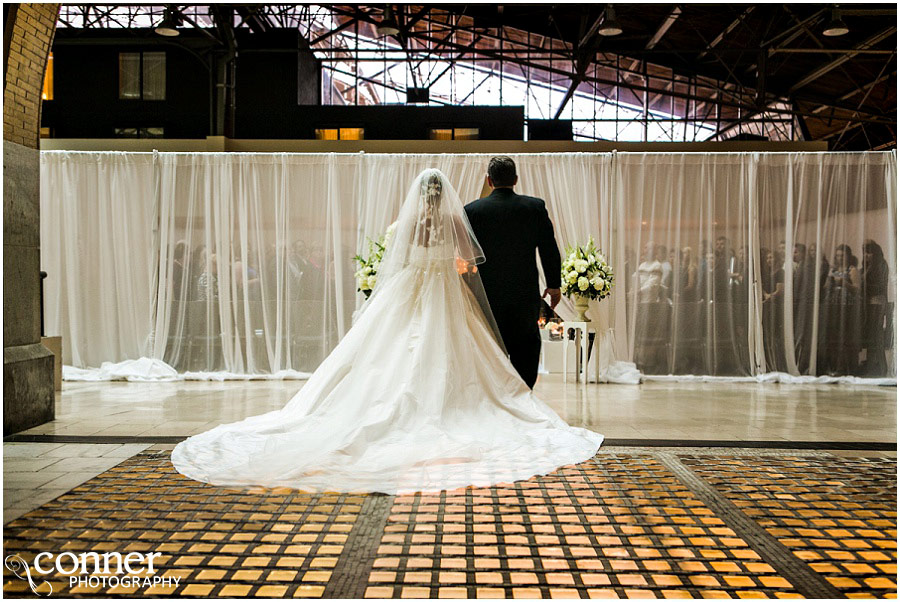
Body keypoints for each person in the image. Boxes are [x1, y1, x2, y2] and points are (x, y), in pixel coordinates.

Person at [171, 168, 603, 494]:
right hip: (445, 291)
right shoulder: (459, 220)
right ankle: (495, 397)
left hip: (408, 288)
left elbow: (397, 259)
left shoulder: (410, 224)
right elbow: (470, 259)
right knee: (459, 349)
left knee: (389, 351)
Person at [464, 157, 563, 389]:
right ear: (516, 179)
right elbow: (549, 248)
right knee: (526, 346)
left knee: (490, 346)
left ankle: (496, 395)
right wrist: (554, 284)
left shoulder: (472, 211)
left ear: (489, 180)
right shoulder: (534, 207)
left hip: (488, 293)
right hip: (524, 291)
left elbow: (467, 257)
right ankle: (523, 394)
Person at [861, 239, 889, 376]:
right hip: (870, 304)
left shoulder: (881, 265)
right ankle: (872, 366)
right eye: (864, 253)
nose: (866, 256)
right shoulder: (867, 266)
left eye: (869, 253)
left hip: (877, 303)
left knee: (876, 336)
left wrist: (864, 280)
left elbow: (880, 286)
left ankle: (881, 367)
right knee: (872, 336)